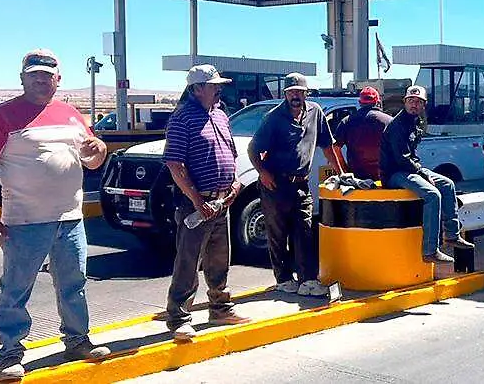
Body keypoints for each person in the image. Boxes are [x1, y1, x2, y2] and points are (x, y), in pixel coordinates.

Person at [0, 50, 111, 380]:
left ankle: (77, 340)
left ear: (58, 80)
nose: (40, 79)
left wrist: (100, 150)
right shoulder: (2, 116)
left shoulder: (72, 114)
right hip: (24, 222)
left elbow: (91, 158)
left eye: (47, 75)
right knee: (16, 288)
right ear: (22, 78)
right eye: (33, 74)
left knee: (73, 285)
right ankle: (9, 353)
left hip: (70, 218)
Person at [163, 65, 249, 342]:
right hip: (196, 206)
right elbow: (175, 165)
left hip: (222, 202)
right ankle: (178, 317)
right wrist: (197, 201)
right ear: (196, 89)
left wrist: (234, 183)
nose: (218, 89)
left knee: (219, 259)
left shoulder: (221, 116)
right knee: (188, 262)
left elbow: (231, 154)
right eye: (213, 85)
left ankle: (220, 308)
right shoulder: (182, 119)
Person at [248, 73, 346, 297]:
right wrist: (263, 172)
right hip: (276, 183)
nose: (295, 96)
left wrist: (341, 174)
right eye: (291, 92)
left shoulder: (315, 113)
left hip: (301, 184)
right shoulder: (274, 118)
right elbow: (253, 149)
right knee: (278, 233)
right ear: (285, 94)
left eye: (299, 92)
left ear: (306, 93)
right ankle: (283, 279)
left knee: (305, 231)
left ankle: (308, 280)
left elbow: (328, 147)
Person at [380, 85, 472, 263]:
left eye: (418, 102)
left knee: (447, 184)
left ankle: (452, 234)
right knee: (432, 194)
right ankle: (430, 250)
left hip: (409, 168)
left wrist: (421, 172)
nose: (414, 104)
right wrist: (422, 172)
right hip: (394, 173)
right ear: (404, 102)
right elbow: (401, 159)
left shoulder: (415, 122)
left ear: (424, 105)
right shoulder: (397, 125)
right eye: (411, 101)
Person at [333, 87, 393, 181]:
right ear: (378, 102)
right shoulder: (389, 121)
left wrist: (344, 170)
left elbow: (335, 148)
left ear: (360, 103)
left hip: (358, 179)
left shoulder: (347, 121)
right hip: (385, 179)